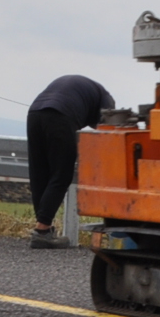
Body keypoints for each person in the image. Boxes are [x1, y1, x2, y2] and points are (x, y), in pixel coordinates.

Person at [26, 75, 114, 249]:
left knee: (39, 173)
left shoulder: (87, 90)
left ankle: (43, 229)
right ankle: (42, 232)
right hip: (60, 115)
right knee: (61, 174)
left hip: (34, 113)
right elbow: (106, 129)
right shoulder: (106, 100)